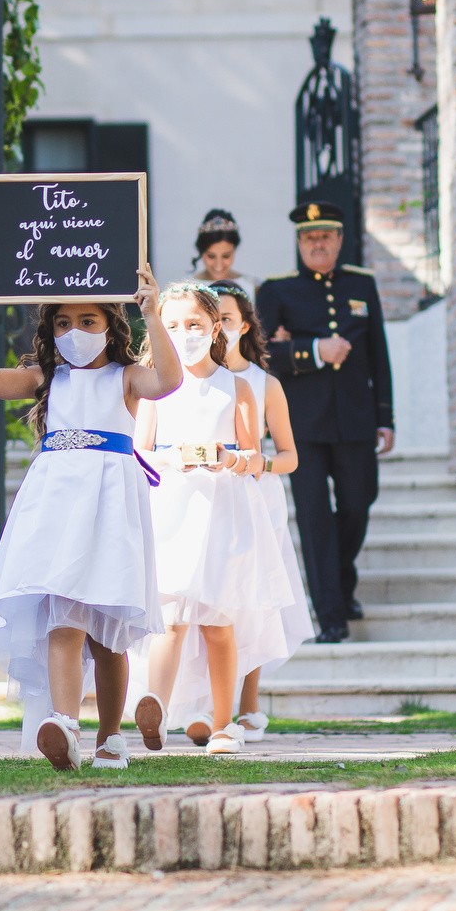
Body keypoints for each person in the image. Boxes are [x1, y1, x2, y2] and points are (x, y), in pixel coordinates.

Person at [0, 264, 181, 772]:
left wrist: (152, 314)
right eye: (62, 324)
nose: (74, 333)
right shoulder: (46, 379)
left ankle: (110, 737)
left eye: (87, 321)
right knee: (63, 614)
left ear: (110, 325)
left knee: (107, 634)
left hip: (110, 506)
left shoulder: (124, 377)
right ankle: (63, 723)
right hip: (57, 505)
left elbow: (168, 380)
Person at [130, 281, 297, 755]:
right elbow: (140, 452)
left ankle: (223, 724)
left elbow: (253, 453)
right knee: (171, 617)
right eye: (174, 326)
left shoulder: (238, 387)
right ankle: (156, 712)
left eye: (196, 325)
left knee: (219, 622)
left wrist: (229, 458)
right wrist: (171, 460)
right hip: (173, 511)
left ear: (215, 329)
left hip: (222, 512)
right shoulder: (154, 388)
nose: (185, 334)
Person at [254, 199, 393, 645]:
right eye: (309, 237)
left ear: (339, 240)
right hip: (301, 424)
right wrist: (313, 351)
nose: (317, 243)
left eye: (325, 236)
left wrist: (385, 417)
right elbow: (259, 354)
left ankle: (340, 577)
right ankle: (331, 615)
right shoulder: (277, 292)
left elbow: (378, 354)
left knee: (358, 501)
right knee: (315, 518)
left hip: (355, 417)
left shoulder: (362, 286)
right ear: (298, 242)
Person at [211, 279, 314, 742]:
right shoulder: (186, 380)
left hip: (257, 498)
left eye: (226, 318)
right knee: (208, 599)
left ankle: (249, 702)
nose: (217, 327)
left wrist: (260, 463)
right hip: (203, 497)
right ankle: (203, 706)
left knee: (252, 600)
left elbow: (291, 456)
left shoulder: (263, 383)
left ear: (244, 324)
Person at [190, 210, 255, 297]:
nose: (218, 266)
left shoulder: (253, 286)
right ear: (202, 252)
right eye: (211, 256)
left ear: (234, 250)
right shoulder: (187, 289)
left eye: (226, 256)